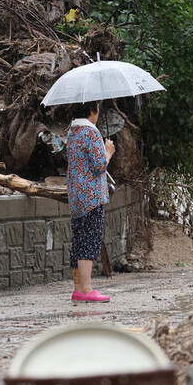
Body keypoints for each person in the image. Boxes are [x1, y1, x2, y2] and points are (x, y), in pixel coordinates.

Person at [66, 100, 115, 302]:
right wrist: (108, 152)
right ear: (92, 110)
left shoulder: (72, 132)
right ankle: (86, 289)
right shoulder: (91, 132)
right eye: (97, 109)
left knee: (78, 240)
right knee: (89, 239)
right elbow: (99, 166)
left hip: (76, 195)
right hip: (92, 196)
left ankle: (78, 288)